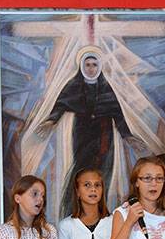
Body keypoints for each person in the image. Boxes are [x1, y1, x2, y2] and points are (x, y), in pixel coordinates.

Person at [36, 46, 144, 215]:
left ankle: (100, 213)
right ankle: (75, 211)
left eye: (94, 64)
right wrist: (51, 120)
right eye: (88, 65)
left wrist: (127, 136)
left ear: (99, 67)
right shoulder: (73, 85)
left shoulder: (106, 88)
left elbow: (117, 114)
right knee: (81, 171)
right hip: (82, 133)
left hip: (104, 136)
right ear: (81, 66)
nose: (91, 68)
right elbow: (60, 105)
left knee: (102, 173)